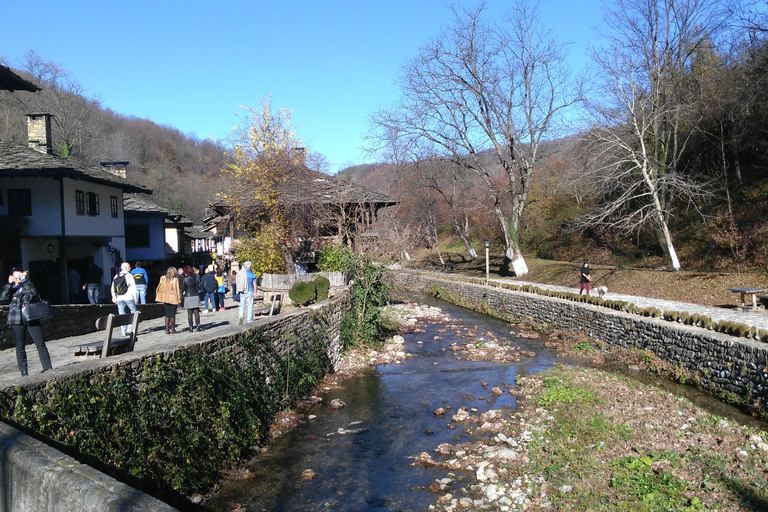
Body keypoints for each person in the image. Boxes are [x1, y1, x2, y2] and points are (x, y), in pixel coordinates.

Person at [0, 269, 53, 376]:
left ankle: (47, 367)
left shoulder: (27, 285)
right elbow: (3, 299)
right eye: (15, 276)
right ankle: (23, 371)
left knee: (40, 342)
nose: (18, 278)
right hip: (16, 318)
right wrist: (9, 284)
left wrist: (24, 280)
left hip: (31, 316)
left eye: (19, 275)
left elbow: (33, 292)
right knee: (20, 346)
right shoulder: (10, 288)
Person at [111, 262, 138, 335]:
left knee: (121, 314)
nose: (130, 268)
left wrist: (114, 297)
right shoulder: (129, 276)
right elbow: (133, 287)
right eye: (129, 267)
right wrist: (135, 297)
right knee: (133, 312)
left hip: (119, 298)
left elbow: (113, 287)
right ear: (125, 268)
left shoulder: (116, 276)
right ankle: (129, 329)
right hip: (128, 297)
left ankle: (123, 331)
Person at [155, 266, 182, 334]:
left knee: (167, 314)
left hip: (165, 297)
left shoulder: (162, 278)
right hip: (173, 298)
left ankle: (167, 329)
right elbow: (176, 290)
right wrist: (179, 298)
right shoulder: (175, 279)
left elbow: (159, 287)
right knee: (172, 314)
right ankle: (172, 329)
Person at [180, 265, 202, 332]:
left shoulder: (184, 279)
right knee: (196, 312)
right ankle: (198, 326)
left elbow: (182, 288)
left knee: (189, 313)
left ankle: (191, 327)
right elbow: (199, 285)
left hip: (188, 296)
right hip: (195, 295)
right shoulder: (196, 277)